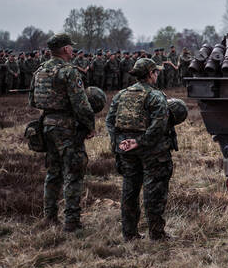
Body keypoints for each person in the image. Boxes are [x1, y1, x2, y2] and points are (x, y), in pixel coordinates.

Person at [29, 33, 96, 231]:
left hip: (46, 125)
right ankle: (72, 222)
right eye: (71, 47)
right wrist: (89, 126)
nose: (73, 50)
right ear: (66, 49)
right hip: (67, 128)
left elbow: (32, 100)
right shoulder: (68, 71)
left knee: (53, 173)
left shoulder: (40, 70)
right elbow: (81, 104)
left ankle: (49, 217)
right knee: (73, 173)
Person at [106, 58, 175, 240]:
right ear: (151, 74)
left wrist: (119, 143)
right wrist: (140, 141)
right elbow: (159, 125)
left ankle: (129, 233)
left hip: (126, 150)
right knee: (154, 192)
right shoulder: (155, 96)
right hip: (152, 152)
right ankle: (157, 234)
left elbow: (110, 121)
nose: (157, 75)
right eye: (156, 72)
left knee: (129, 190)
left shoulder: (121, 95)